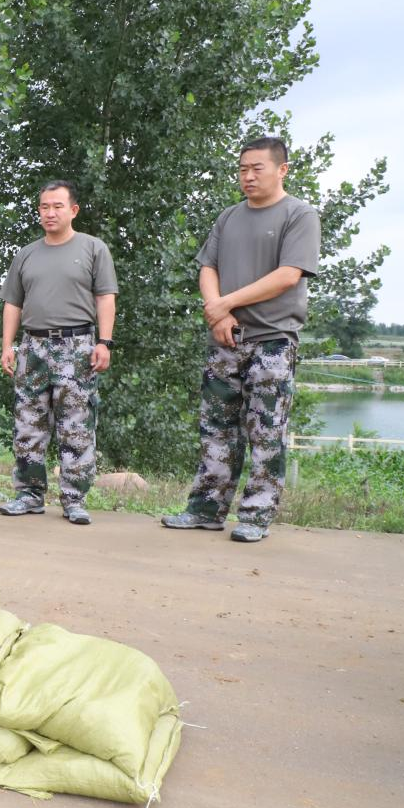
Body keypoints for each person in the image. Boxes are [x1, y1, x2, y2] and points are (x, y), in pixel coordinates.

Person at [163, 137, 320, 543]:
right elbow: (208, 266)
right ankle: (206, 509)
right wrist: (219, 311)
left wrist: (225, 303)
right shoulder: (229, 217)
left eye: (257, 168)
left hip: (272, 341)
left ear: (282, 169)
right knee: (215, 428)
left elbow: (289, 274)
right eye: (242, 169)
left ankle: (255, 515)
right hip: (225, 340)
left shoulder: (299, 215)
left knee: (265, 430)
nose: (248, 176)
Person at [0, 180, 117, 525]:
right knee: (28, 423)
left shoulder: (94, 249)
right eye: (44, 207)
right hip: (33, 346)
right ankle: (29, 494)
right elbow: (12, 303)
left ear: (73, 210)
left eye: (57, 207)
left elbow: (105, 297)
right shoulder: (27, 254)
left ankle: (74, 499)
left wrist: (104, 342)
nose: (49, 213)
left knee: (76, 425)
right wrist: (8, 346)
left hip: (77, 345)